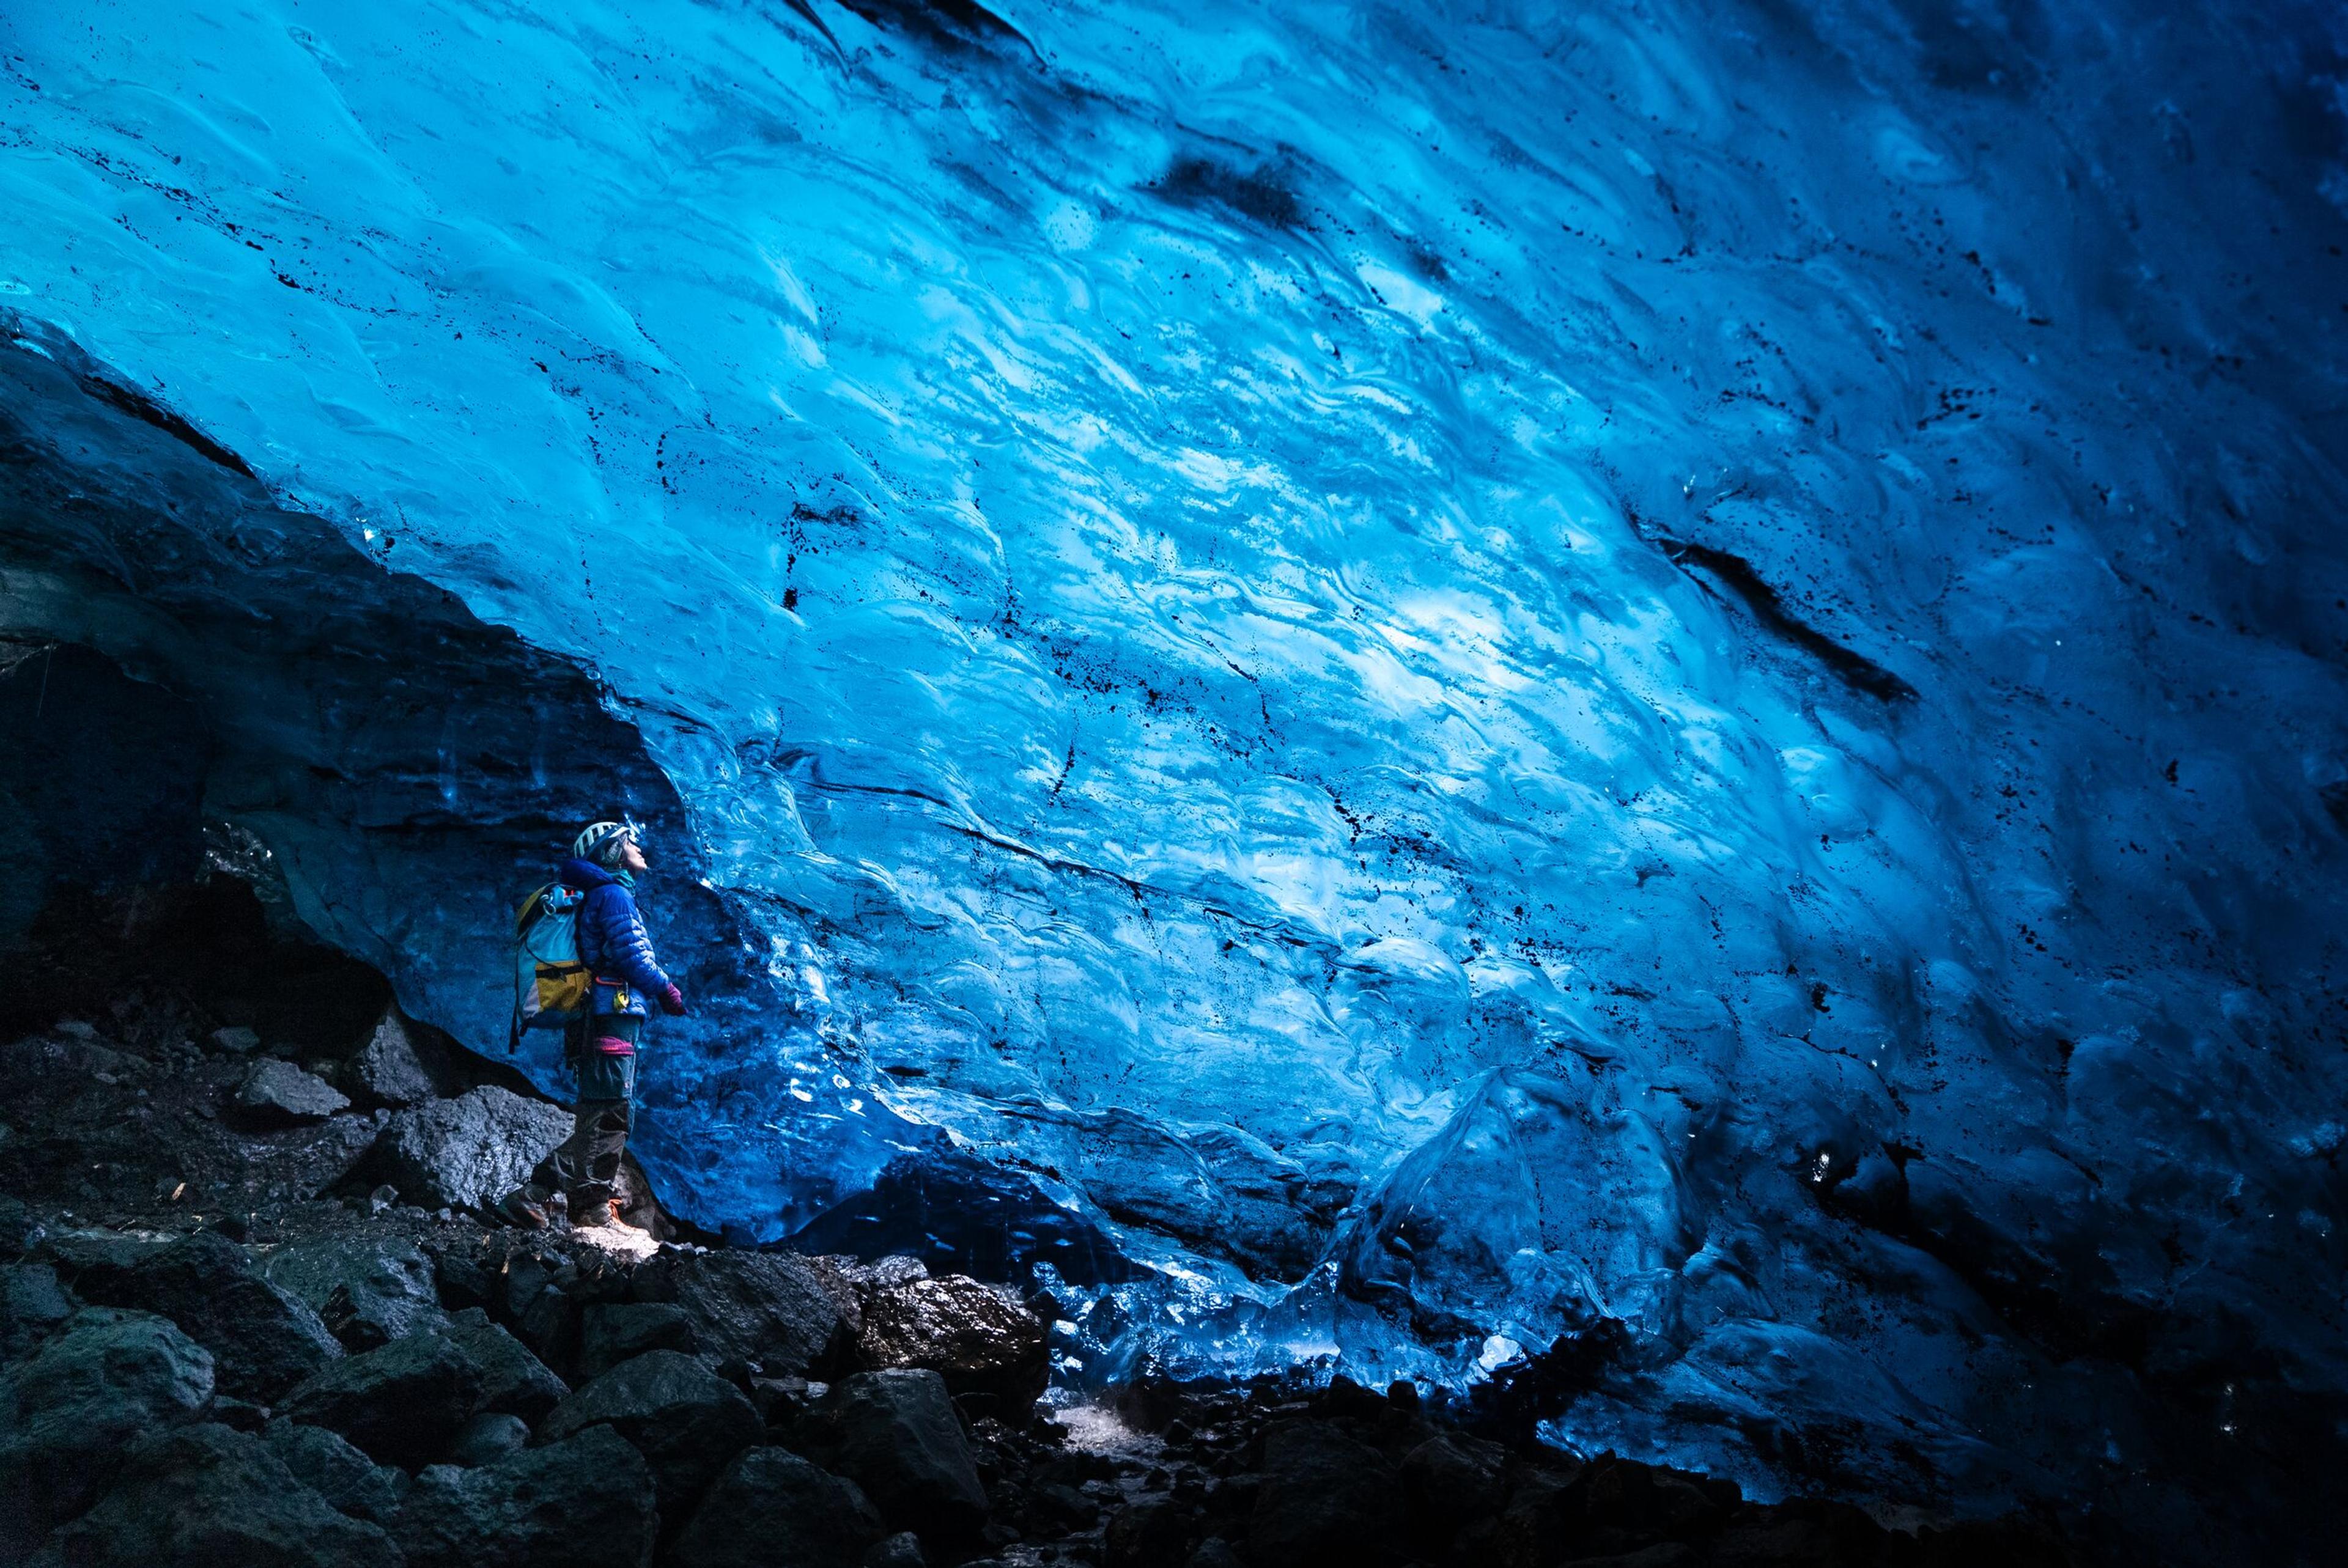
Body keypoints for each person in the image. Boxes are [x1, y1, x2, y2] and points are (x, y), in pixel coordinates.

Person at [552, 819, 685, 1227]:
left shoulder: (607, 895)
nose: (638, 847)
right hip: (613, 1010)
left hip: (607, 1012)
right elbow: (632, 957)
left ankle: (555, 1198)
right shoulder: (613, 896)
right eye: (629, 842)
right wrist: (666, 988)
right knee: (608, 1110)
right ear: (611, 852)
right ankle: (576, 1203)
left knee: (606, 1108)